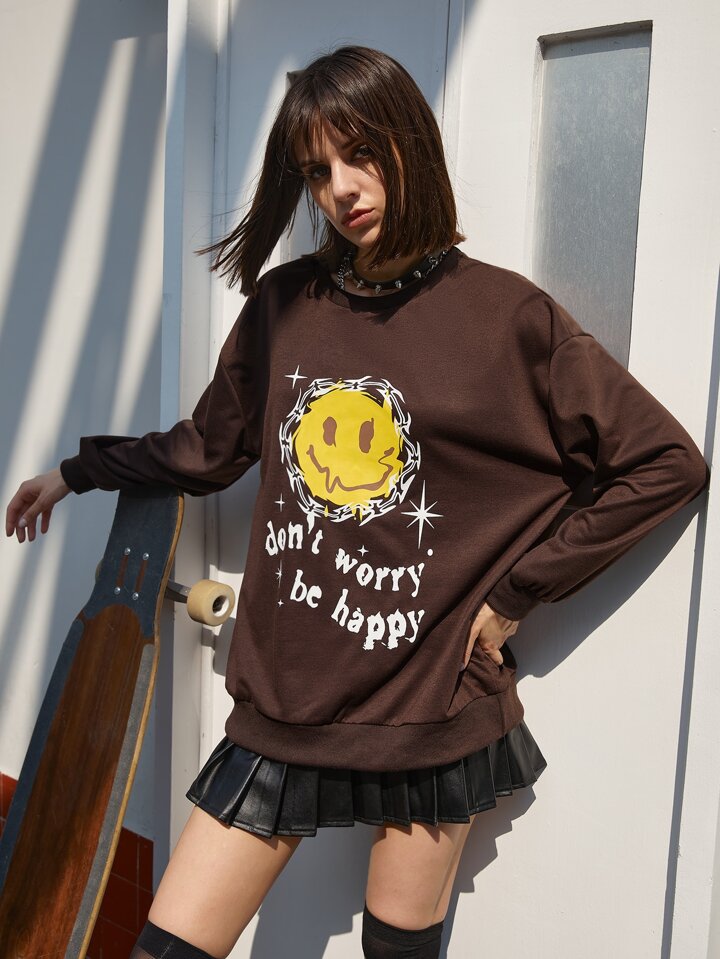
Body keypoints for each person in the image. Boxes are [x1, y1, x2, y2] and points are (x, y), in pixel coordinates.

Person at [5, 45, 710, 959]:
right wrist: (81, 469)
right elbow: (209, 447)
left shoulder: (508, 317)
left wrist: (516, 593)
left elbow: (663, 463)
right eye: (316, 171)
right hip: (287, 697)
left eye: (361, 153)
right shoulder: (284, 305)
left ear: (409, 139)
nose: (341, 188)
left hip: (431, 704)